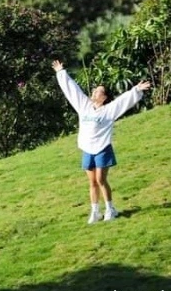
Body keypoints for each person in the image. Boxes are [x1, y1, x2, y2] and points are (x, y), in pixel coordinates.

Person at [52, 59, 151, 223]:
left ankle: (110, 209)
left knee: (100, 180)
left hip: (102, 148)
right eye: (94, 90)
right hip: (87, 148)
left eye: (98, 92)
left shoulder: (109, 110)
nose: (94, 93)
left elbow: (123, 101)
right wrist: (61, 73)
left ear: (104, 97)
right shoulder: (83, 105)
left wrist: (136, 89)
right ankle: (95, 211)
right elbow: (73, 91)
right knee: (92, 182)